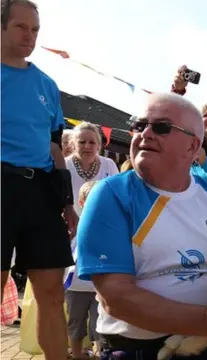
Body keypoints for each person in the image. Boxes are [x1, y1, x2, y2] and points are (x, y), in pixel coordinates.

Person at [75, 93, 207, 359]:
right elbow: (115, 299)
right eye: (139, 125)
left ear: (192, 146)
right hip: (138, 349)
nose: (145, 134)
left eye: (161, 127)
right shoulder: (110, 195)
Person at [1, 1, 78, 359]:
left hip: (41, 191)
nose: (29, 36)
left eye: (35, 30)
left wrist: (68, 205)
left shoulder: (47, 84)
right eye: (21, 27)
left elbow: (55, 148)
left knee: (51, 293)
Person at [64, 180, 100, 360]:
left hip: (99, 289)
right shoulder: (73, 225)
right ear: (81, 202)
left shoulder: (108, 225)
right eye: (90, 198)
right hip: (75, 287)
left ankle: (99, 354)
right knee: (75, 326)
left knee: (99, 327)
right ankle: (77, 355)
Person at [65, 122, 119, 215]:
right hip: (70, 226)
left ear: (98, 145)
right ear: (73, 144)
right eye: (82, 142)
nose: (87, 146)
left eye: (92, 142)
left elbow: (118, 197)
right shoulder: (64, 165)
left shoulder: (109, 165)